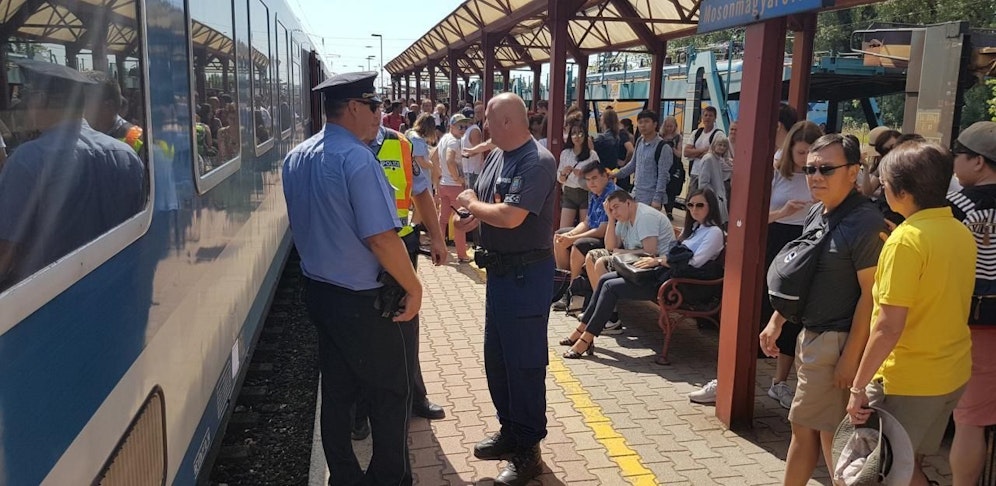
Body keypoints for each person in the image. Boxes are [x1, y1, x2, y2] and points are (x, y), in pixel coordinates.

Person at [282, 72, 421, 485]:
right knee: (391, 392)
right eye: (376, 106)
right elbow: (380, 237)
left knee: (338, 391)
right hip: (363, 302)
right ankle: (388, 478)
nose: (382, 114)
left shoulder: (297, 156)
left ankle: (344, 475)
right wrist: (414, 286)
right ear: (356, 108)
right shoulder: (357, 159)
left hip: (320, 293)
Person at [758, 134, 885, 485]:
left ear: (853, 171)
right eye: (810, 168)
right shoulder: (818, 211)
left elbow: (870, 298)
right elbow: (805, 273)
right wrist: (776, 321)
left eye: (826, 169)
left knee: (820, 435)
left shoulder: (865, 223)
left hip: (836, 342)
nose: (815, 176)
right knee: (823, 435)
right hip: (812, 337)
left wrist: (851, 358)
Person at [847, 140, 975, 486]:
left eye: (885, 184)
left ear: (901, 192)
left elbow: (888, 326)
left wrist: (857, 387)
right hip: (951, 371)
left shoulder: (906, 241)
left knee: (889, 470)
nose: (882, 189)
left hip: (909, 380)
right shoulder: (960, 232)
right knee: (909, 463)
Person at [455, 93, 557, 486]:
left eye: (489, 121)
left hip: (526, 277)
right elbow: (486, 203)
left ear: (510, 122)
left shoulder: (537, 161)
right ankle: (510, 430)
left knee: (525, 364)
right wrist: (471, 218)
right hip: (500, 276)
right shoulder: (499, 154)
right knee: (498, 360)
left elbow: (512, 216)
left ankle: (528, 449)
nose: (483, 127)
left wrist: (471, 206)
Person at [0, 60, 145, 291]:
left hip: (52, 297)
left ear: (41, 99)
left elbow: (5, 251)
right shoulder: (125, 153)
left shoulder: (27, 160)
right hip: (119, 286)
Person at [560, 188, 719, 357]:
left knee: (611, 287)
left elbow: (695, 262)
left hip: (678, 285)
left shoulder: (714, 232)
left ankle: (586, 339)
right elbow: (675, 256)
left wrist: (658, 260)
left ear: (711, 206)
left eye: (700, 205)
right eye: (690, 205)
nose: (694, 209)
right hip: (663, 275)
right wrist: (661, 261)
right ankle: (582, 332)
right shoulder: (695, 228)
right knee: (605, 280)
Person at [948, 121, 996, 486]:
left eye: (958, 157)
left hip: (971, 321)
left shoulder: (957, 206)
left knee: (970, 418)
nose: (954, 165)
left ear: (978, 162)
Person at [551, 159, 616, 313]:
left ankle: (575, 293)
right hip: (595, 233)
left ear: (605, 176)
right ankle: (565, 286)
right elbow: (587, 222)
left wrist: (573, 239)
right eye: (588, 180)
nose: (591, 183)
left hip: (611, 239)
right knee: (559, 237)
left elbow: (602, 229)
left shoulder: (612, 195)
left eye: (594, 178)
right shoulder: (594, 194)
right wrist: (570, 234)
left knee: (578, 245)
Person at [613, 109, 671, 210]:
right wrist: (615, 174)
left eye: (647, 121)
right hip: (636, 195)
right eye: (640, 122)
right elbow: (632, 165)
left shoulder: (663, 147)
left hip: (651, 198)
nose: (643, 125)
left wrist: (657, 199)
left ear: (655, 124)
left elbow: (663, 176)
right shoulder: (640, 141)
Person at [436, 113, 471, 262]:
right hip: (454, 185)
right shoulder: (454, 142)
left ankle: (439, 248)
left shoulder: (444, 139)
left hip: (444, 183)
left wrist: (440, 175)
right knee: (460, 221)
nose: (463, 129)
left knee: (443, 218)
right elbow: (450, 160)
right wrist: (458, 178)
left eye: (465, 126)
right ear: (452, 126)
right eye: (460, 126)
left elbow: (434, 157)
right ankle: (462, 254)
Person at [82, 70, 144, 154]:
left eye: (83, 102)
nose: (76, 109)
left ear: (108, 106)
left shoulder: (139, 140)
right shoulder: (79, 138)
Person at [556, 123, 598, 228]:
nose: (577, 137)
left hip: (586, 191)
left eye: (580, 133)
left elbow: (598, 175)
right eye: (573, 133)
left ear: (585, 135)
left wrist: (583, 174)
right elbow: (560, 179)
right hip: (569, 192)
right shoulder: (565, 153)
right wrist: (563, 173)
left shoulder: (592, 155)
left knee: (585, 228)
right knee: (564, 228)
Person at [683, 106, 723, 192]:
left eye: (710, 115)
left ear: (715, 118)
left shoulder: (719, 134)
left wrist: (694, 152)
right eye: (705, 115)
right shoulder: (696, 133)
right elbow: (686, 152)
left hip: (710, 175)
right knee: (691, 199)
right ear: (702, 117)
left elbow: (714, 155)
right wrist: (703, 150)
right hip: (695, 173)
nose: (707, 117)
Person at [695, 135, 730, 222]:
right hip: (712, 200)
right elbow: (703, 183)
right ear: (714, 144)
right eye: (720, 144)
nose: (722, 147)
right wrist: (712, 196)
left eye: (724, 146)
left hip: (718, 199)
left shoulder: (718, 159)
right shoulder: (709, 159)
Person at [658, 116, 684, 219]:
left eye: (671, 126)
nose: (669, 128)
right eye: (667, 126)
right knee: (661, 185)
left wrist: (671, 147)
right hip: (662, 163)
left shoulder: (678, 137)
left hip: (674, 165)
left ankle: (669, 210)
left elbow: (679, 154)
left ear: (675, 126)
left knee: (671, 189)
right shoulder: (660, 136)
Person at [461, 102, 486, 188]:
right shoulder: (466, 130)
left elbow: (478, 149)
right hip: (467, 168)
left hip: (473, 170)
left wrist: (468, 154)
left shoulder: (474, 130)